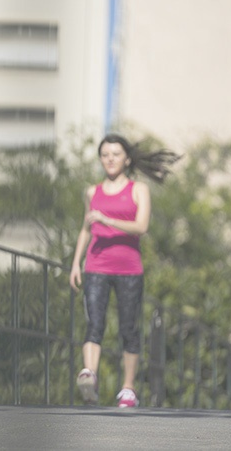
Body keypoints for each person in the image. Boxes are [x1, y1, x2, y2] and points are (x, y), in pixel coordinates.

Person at [69, 134, 180, 408]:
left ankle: (128, 389)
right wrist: (75, 263)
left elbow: (141, 227)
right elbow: (86, 229)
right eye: (105, 154)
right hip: (96, 266)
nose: (110, 159)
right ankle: (89, 375)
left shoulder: (138, 189)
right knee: (94, 322)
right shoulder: (91, 193)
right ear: (100, 159)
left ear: (126, 159)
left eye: (116, 154)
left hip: (129, 270)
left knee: (129, 329)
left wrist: (106, 218)